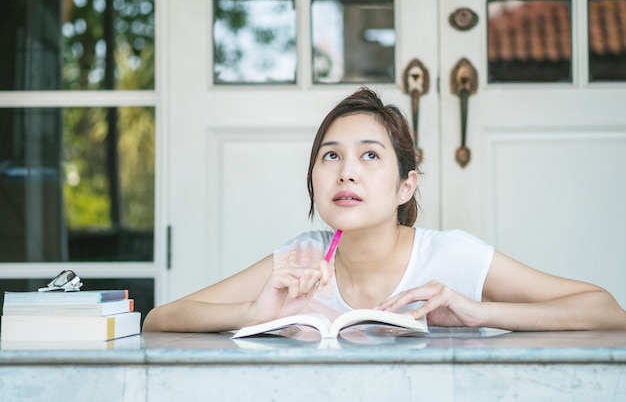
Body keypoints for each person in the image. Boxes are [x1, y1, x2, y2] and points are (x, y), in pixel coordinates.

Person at [142, 87, 626, 333]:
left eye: (370, 155)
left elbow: (606, 311)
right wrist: (255, 313)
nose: (346, 173)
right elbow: (160, 320)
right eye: (330, 156)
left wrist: (479, 312)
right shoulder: (299, 261)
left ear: (405, 186)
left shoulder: (453, 256)